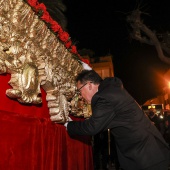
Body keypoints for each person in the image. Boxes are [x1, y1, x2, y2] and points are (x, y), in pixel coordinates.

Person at [65, 70, 170, 170]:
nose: (81, 96)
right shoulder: (111, 89)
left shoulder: (104, 97)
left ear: (89, 85)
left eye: (80, 91)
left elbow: (92, 127)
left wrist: (68, 125)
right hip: (147, 153)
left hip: (146, 157)